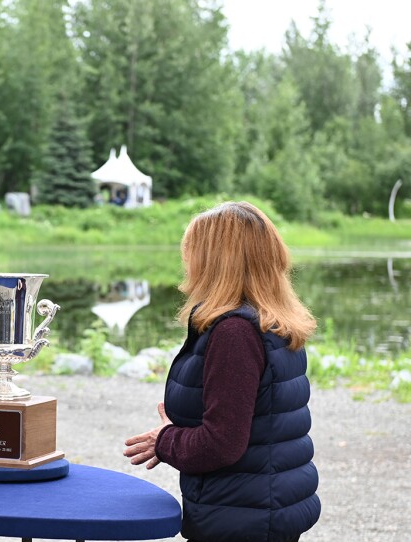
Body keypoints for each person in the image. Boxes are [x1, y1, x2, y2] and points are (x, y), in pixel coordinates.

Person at [123, 201, 320, 542]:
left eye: (192, 253)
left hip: (244, 521)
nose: (187, 264)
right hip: (265, 510)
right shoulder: (272, 322)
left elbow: (222, 443)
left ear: (214, 262)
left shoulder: (235, 333)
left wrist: (165, 441)